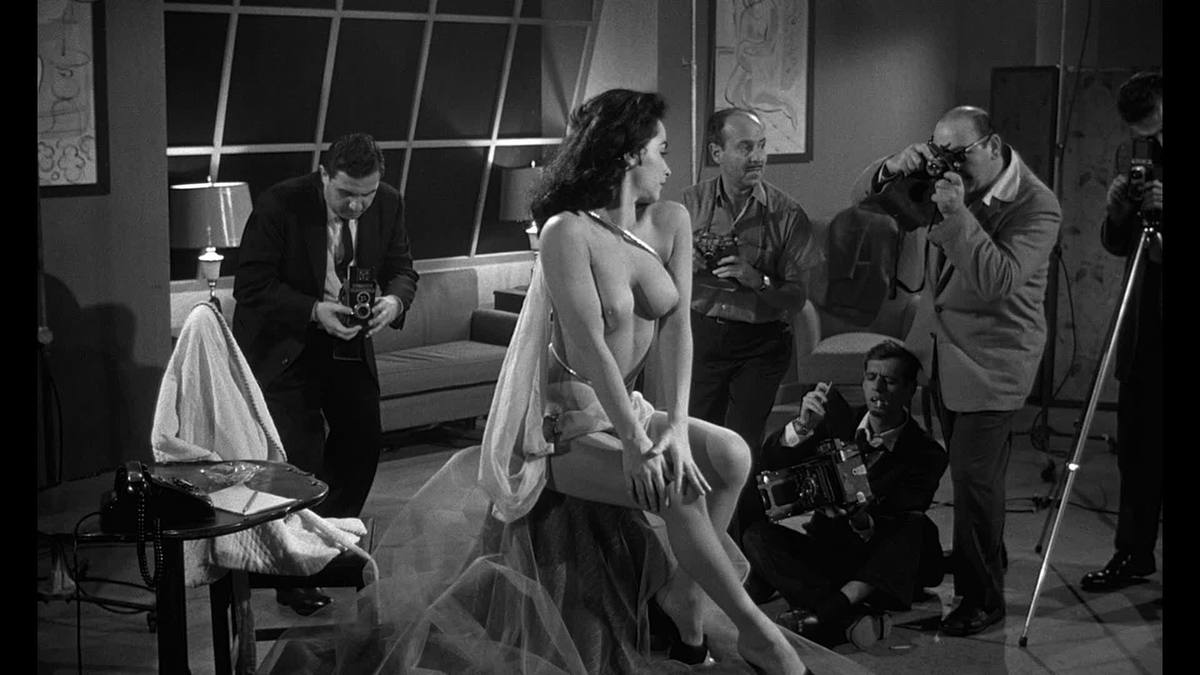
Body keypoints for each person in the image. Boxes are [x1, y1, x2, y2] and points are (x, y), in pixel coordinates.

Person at [852, 106, 1062, 637]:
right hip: (943, 353)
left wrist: (955, 214)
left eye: (959, 153)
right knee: (974, 482)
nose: (950, 164)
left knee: (973, 482)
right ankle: (984, 556)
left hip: (994, 361)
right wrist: (893, 167)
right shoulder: (950, 181)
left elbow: (998, 281)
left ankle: (982, 599)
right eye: (939, 150)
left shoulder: (1036, 205)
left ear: (992, 144)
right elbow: (864, 203)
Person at [232, 132, 418, 616]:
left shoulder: (388, 202)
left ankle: (326, 547)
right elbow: (251, 286)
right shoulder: (280, 204)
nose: (357, 206)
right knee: (302, 459)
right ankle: (293, 573)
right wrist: (315, 311)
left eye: (366, 195)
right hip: (288, 346)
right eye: (346, 194)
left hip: (349, 342)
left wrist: (394, 302)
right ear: (323, 176)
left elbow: (403, 270)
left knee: (362, 443)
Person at [742, 340, 947, 649]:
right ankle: (847, 619)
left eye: (889, 381)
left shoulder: (927, 453)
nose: (878, 388)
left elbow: (900, 513)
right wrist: (802, 426)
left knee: (914, 525)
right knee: (757, 536)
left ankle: (825, 612)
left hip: (881, 563)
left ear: (909, 390)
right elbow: (769, 462)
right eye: (871, 378)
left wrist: (860, 516)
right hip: (831, 549)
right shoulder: (838, 420)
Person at [683, 107, 819, 553]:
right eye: (746, 147)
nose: (758, 157)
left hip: (760, 343)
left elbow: (797, 298)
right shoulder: (688, 206)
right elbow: (656, 273)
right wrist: (684, 263)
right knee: (696, 444)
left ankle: (741, 555)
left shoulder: (787, 214)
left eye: (761, 146)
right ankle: (696, 550)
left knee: (740, 451)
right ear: (716, 152)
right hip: (702, 336)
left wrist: (756, 279)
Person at [1080, 71, 1163, 592]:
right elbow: (1120, 244)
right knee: (1136, 454)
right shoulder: (1138, 158)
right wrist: (1118, 212)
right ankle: (1132, 554)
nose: (1152, 140)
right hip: (1144, 331)